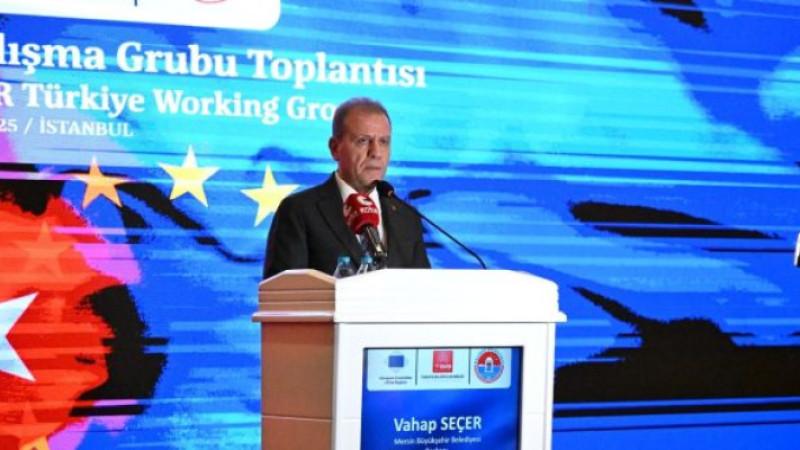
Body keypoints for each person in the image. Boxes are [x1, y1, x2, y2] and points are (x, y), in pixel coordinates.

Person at [263, 97, 431, 278]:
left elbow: (425, 289)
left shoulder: (407, 217)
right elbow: (282, 292)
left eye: (384, 142)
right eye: (363, 141)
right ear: (335, 148)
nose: (376, 152)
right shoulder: (299, 212)